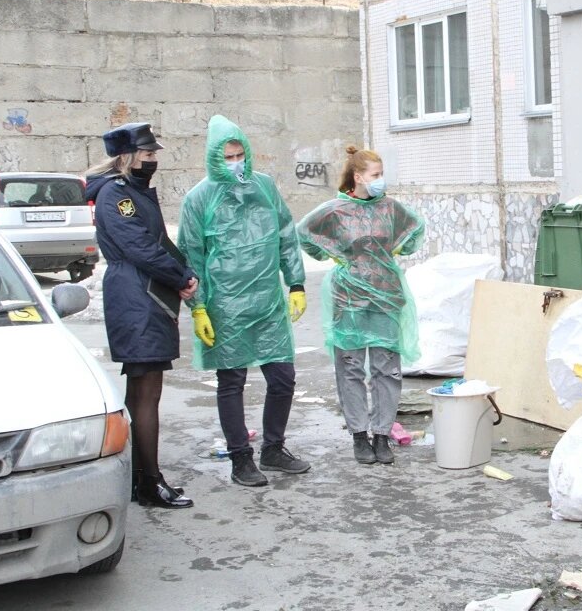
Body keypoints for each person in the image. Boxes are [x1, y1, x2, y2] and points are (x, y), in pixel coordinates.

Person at [178, 115, 311, 488]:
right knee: (232, 381)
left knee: (283, 378)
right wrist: (198, 306)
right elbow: (191, 255)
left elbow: (286, 234)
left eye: (240, 155)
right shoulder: (199, 198)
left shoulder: (264, 187)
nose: (236, 163)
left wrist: (296, 283)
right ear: (213, 158)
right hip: (226, 305)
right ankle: (241, 458)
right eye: (228, 157)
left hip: (267, 301)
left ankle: (274, 448)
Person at [86, 122, 197, 509]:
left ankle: (141, 478)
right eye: (148, 154)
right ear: (127, 157)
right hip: (137, 295)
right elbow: (141, 248)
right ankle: (150, 482)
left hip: (144, 293)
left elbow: (158, 241)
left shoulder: (130, 191)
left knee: (143, 391)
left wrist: (183, 274)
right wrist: (181, 277)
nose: (153, 161)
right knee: (146, 392)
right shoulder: (117, 195)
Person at [297, 146, 425, 465]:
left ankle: (382, 434)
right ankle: (359, 435)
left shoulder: (390, 208)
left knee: (387, 368)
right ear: (358, 177)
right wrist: (331, 254)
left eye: (382, 174)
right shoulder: (336, 210)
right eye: (375, 175)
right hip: (349, 298)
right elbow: (305, 232)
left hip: (385, 295)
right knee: (351, 368)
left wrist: (396, 249)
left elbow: (415, 227)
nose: (381, 180)